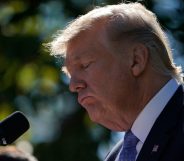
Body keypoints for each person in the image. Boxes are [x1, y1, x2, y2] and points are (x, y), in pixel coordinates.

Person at [47, 2, 184, 161]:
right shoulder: (115, 156)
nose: (73, 86)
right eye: (70, 74)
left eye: (84, 65)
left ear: (136, 60)